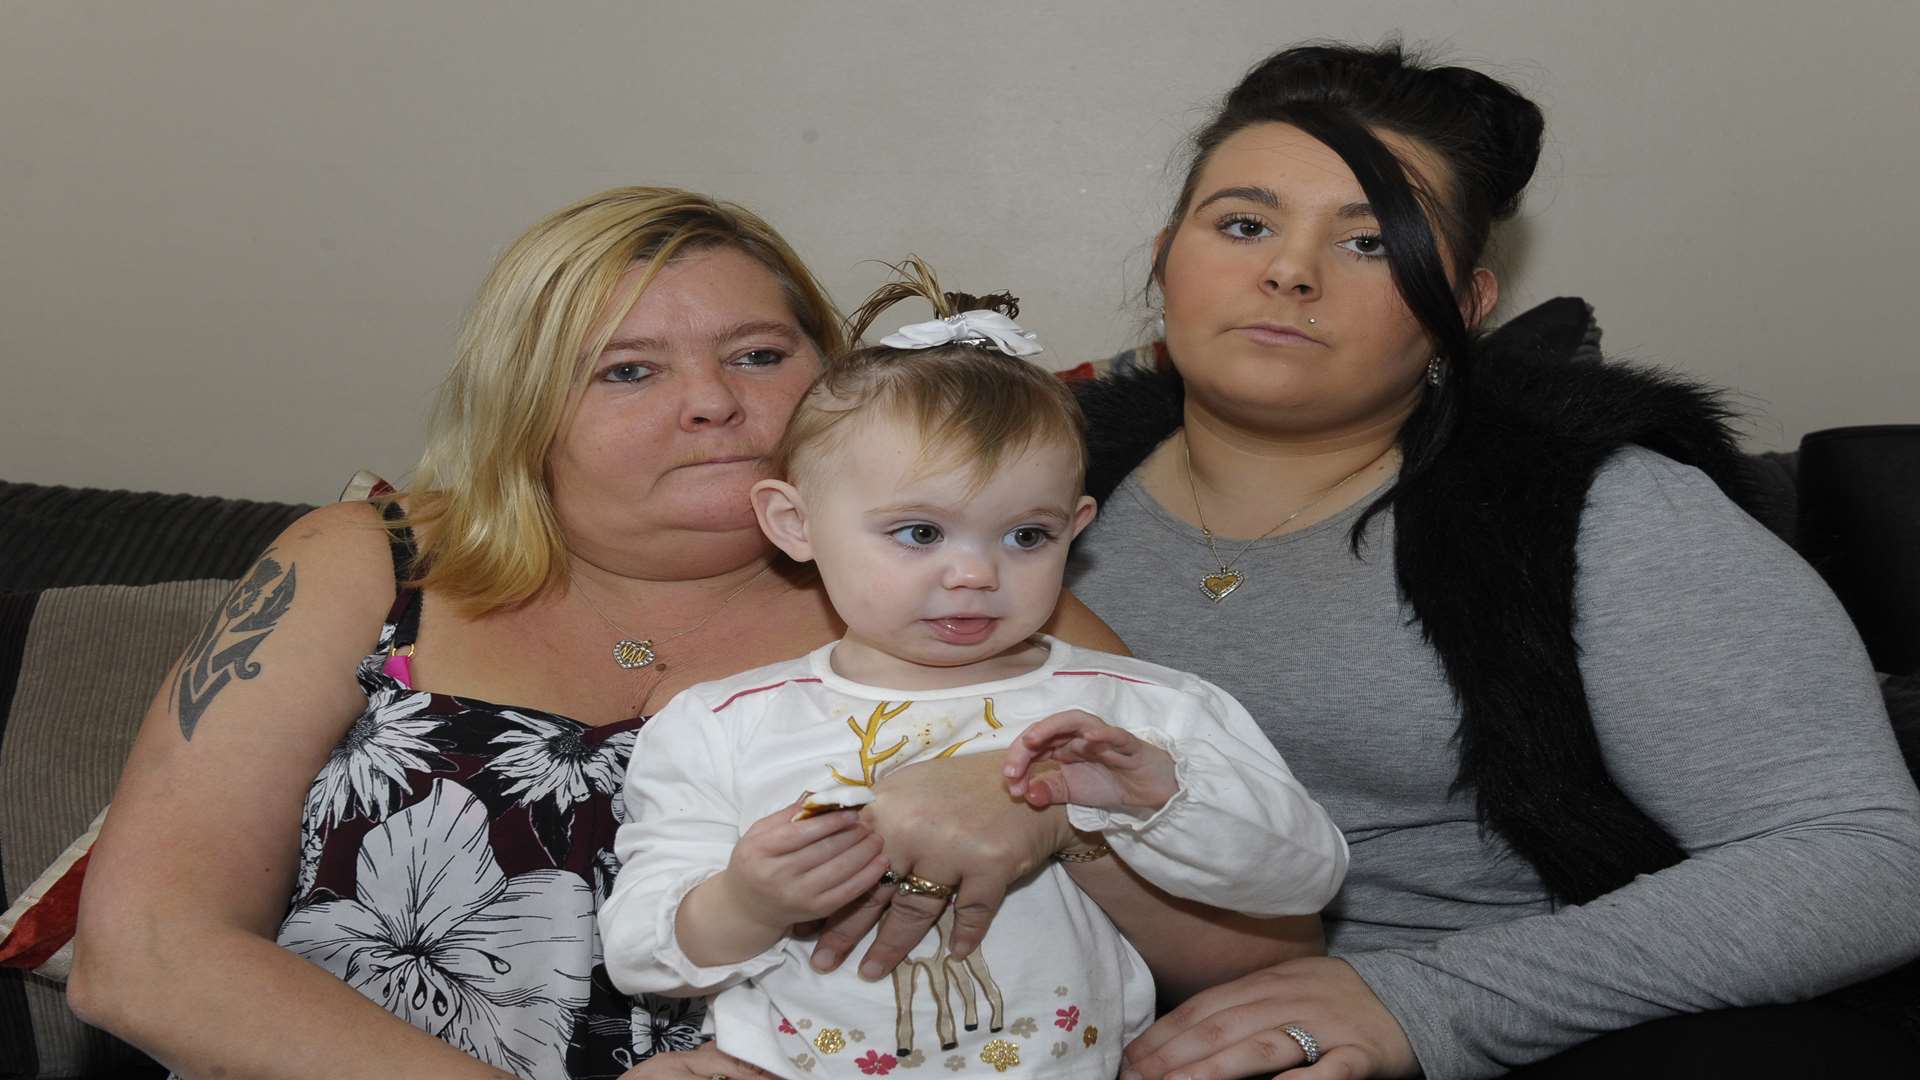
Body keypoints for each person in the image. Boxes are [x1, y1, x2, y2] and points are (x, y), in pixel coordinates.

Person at [65, 188, 1314, 1079]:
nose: (712, 403)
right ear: (525, 410)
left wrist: (1052, 811)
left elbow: (1260, 941)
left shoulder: (960, 594)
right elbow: (148, 956)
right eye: (628, 371)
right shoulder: (370, 562)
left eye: (758, 354)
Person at [1054, 42, 1920, 1079]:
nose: (1288, 271)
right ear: (1165, 260)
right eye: (1242, 225)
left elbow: (1868, 857)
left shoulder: (1595, 512)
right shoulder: (1014, 498)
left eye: (1373, 243)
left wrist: (1421, 1003)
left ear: (1464, 308)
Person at [598, 264, 1347, 1080]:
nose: (975, 575)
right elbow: (641, 952)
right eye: (920, 533)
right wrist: (744, 902)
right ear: (795, 522)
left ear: (1075, 529)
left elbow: (1307, 877)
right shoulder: (721, 724)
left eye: (1026, 536)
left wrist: (1160, 798)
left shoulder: (1141, 708)